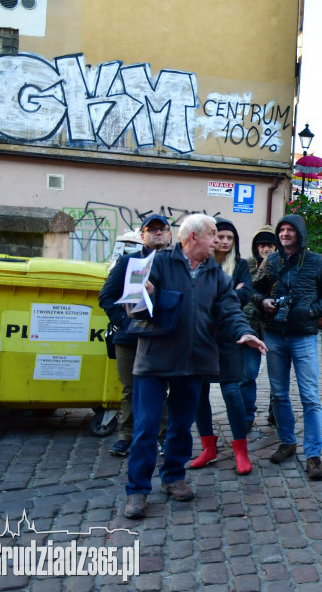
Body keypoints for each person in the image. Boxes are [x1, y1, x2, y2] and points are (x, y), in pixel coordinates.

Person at [123, 214, 266, 519]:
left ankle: (174, 477)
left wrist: (245, 332)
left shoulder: (218, 276)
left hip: (194, 362)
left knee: (180, 427)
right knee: (146, 428)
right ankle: (137, 490)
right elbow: (131, 308)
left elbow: (230, 312)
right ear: (192, 237)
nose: (219, 240)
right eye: (213, 234)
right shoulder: (155, 263)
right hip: (154, 361)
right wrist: (142, 294)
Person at [252, 214, 322, 480]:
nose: (285, 234)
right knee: (278, 394)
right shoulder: (271, 261)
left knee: (310, 397)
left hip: (303, 336)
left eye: (290, 230)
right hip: (275, 335)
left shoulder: (315, 262)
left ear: (299, 233)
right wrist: (263, 302)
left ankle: (313, 455)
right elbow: (253, 291)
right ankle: (287, 442)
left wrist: (313, 311)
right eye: (282, 230)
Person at [99, 214, 172, 459]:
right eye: (152, 229)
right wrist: (126, 324)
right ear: (143, 235)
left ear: (170, 234)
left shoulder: (175, 264)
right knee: (130, 390)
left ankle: (162, 436)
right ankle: (126, 437)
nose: (158, 232)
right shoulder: (128, 262)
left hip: (162, 338)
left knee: (160, 389)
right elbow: (106, 298)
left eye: (162, 229)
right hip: (129, 339)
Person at [188, 218, 254, 475]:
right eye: (220, 237)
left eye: (230, 238)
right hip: (202, 338)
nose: (224, 242)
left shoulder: (240, 265)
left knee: (231, 392)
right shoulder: (201, 264)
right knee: (199, 394)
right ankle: (208, 447)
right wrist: (228, 295)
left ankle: (241, 450)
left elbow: (245, 295)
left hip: (229, 337)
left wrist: (221, 297)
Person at [240, 224, 277, 430]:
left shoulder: (283, 266)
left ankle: (275, 412)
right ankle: (246, 415)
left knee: (276, 375)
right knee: (247, 374)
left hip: (274, 326)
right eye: (262, 245)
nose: (266, 249)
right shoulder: (245, 265)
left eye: (270, 245)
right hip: (251, 325)